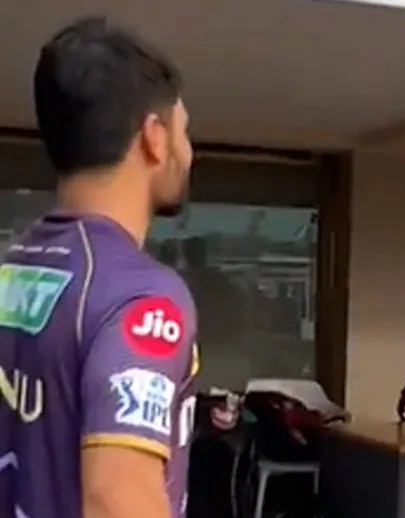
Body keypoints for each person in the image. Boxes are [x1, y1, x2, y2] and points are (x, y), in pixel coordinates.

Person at [0, 17, 197, 518]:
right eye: (184, 131)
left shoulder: (12, 269)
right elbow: (117, 499)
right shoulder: (142, 298)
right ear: (155, 138)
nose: (188, 151)